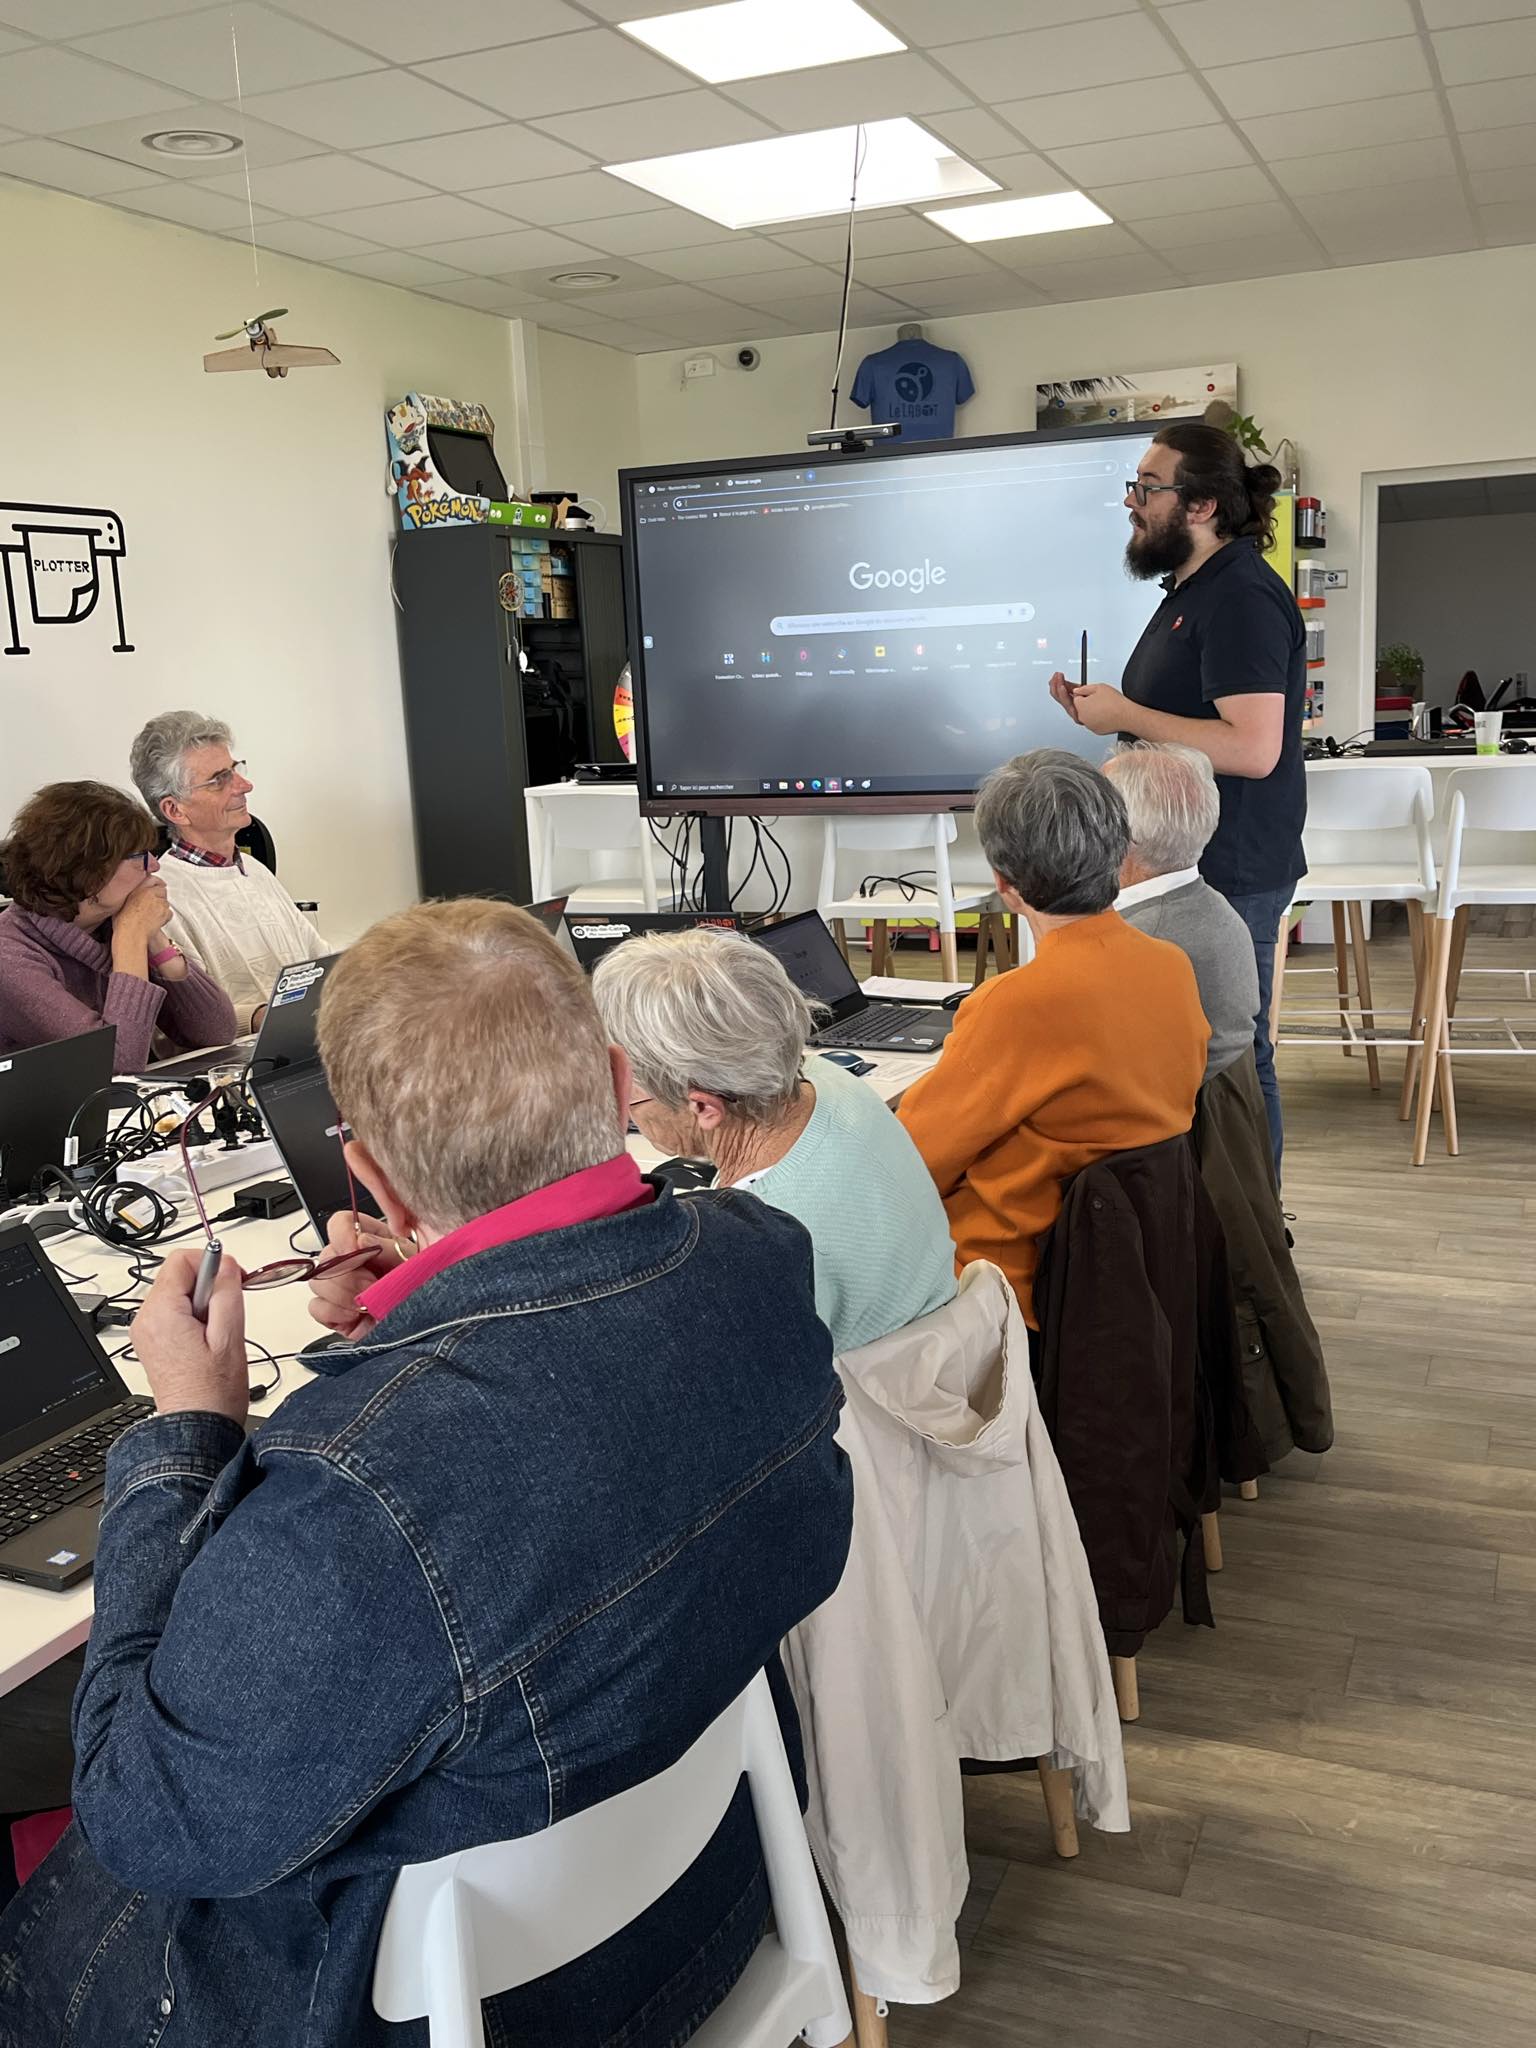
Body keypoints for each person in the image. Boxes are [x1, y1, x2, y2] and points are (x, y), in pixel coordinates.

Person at [0, 900, 853, 2048]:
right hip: (708, 1896)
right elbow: (552, 1447)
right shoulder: (760, 1256)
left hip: (485, 2005)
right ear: (612, 1082)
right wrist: (410, 1322)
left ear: (370, 1177)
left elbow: (148, 1819)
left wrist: (188, 1432)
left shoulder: (355, 1486)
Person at [1046, 421, 1304, 1171]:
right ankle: (1202, 1226)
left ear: (1201, 506)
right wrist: (1110, 716)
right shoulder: (1191, 591)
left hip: (1230, 865)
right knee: (1192, 1047)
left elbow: (1252, 749)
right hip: (1183, 861)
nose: (1133, 502)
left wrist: (1124, 716)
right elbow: (1186, 723)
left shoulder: (1243, 598)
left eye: (1148, 488)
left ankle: (1252, 1234)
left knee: (1230, 1055)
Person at [897, 750, 1208, 1326]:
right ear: (1120, 854)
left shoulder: (1014, 1004)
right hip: (1126, 1263)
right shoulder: (1172, 967)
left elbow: (909, 1162)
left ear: (1004, 883)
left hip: (1013, 1282)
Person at [589, 923, 956, 1353]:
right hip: (940, 1359)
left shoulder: (758, 1238)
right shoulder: (829, 1080)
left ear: (704, 1107)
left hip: (871, 1408)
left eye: (628, 1094)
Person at [0, 781, 237, 1067]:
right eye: (139, 856)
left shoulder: (109, 920)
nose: (155, 865)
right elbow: (116, 1066)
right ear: (89, 872)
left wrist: (155, 941)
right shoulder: (11, 958)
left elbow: (217, 1032)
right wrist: (131, 938)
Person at [129, 710, 330, 1030]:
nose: (245, 785)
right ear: (174, 809)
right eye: (219, 780)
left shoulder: (255, 870)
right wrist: (269, 1018)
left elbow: (319, 964)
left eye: (235, 770)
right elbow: (182, 1025)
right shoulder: (160, 898)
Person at [1103, 743, 1260, 1082]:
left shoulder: (1142, 939)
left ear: (1120, 833)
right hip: (1210, 1114)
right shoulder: (1212, 907)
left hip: (1161, 1122)